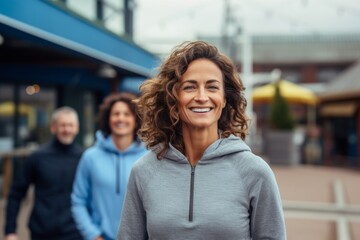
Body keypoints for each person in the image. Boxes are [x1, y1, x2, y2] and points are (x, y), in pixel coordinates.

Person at [118, 41, 287, 240]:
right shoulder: (144, 171)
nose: (201, 97)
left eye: (212, 87)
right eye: (190, 87)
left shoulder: (255, 172)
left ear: (224, 99)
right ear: (174, 97)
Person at [71, 92, 148, 240]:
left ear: (135, 120)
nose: (121, 118)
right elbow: (78, 201)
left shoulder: (148, 157)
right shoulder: (90, 157)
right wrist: (92, 235)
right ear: (108, 119)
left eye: (127, 114)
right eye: (116, 114)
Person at [4, 106, 83, 240]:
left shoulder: (85, 158)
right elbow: (16, 194)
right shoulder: (37, 157)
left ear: (77, 128)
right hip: (42, 232)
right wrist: (10, 231)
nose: (67, 129)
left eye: (71, 125)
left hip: (75, 232)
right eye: (62, 125)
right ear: (53, 128)